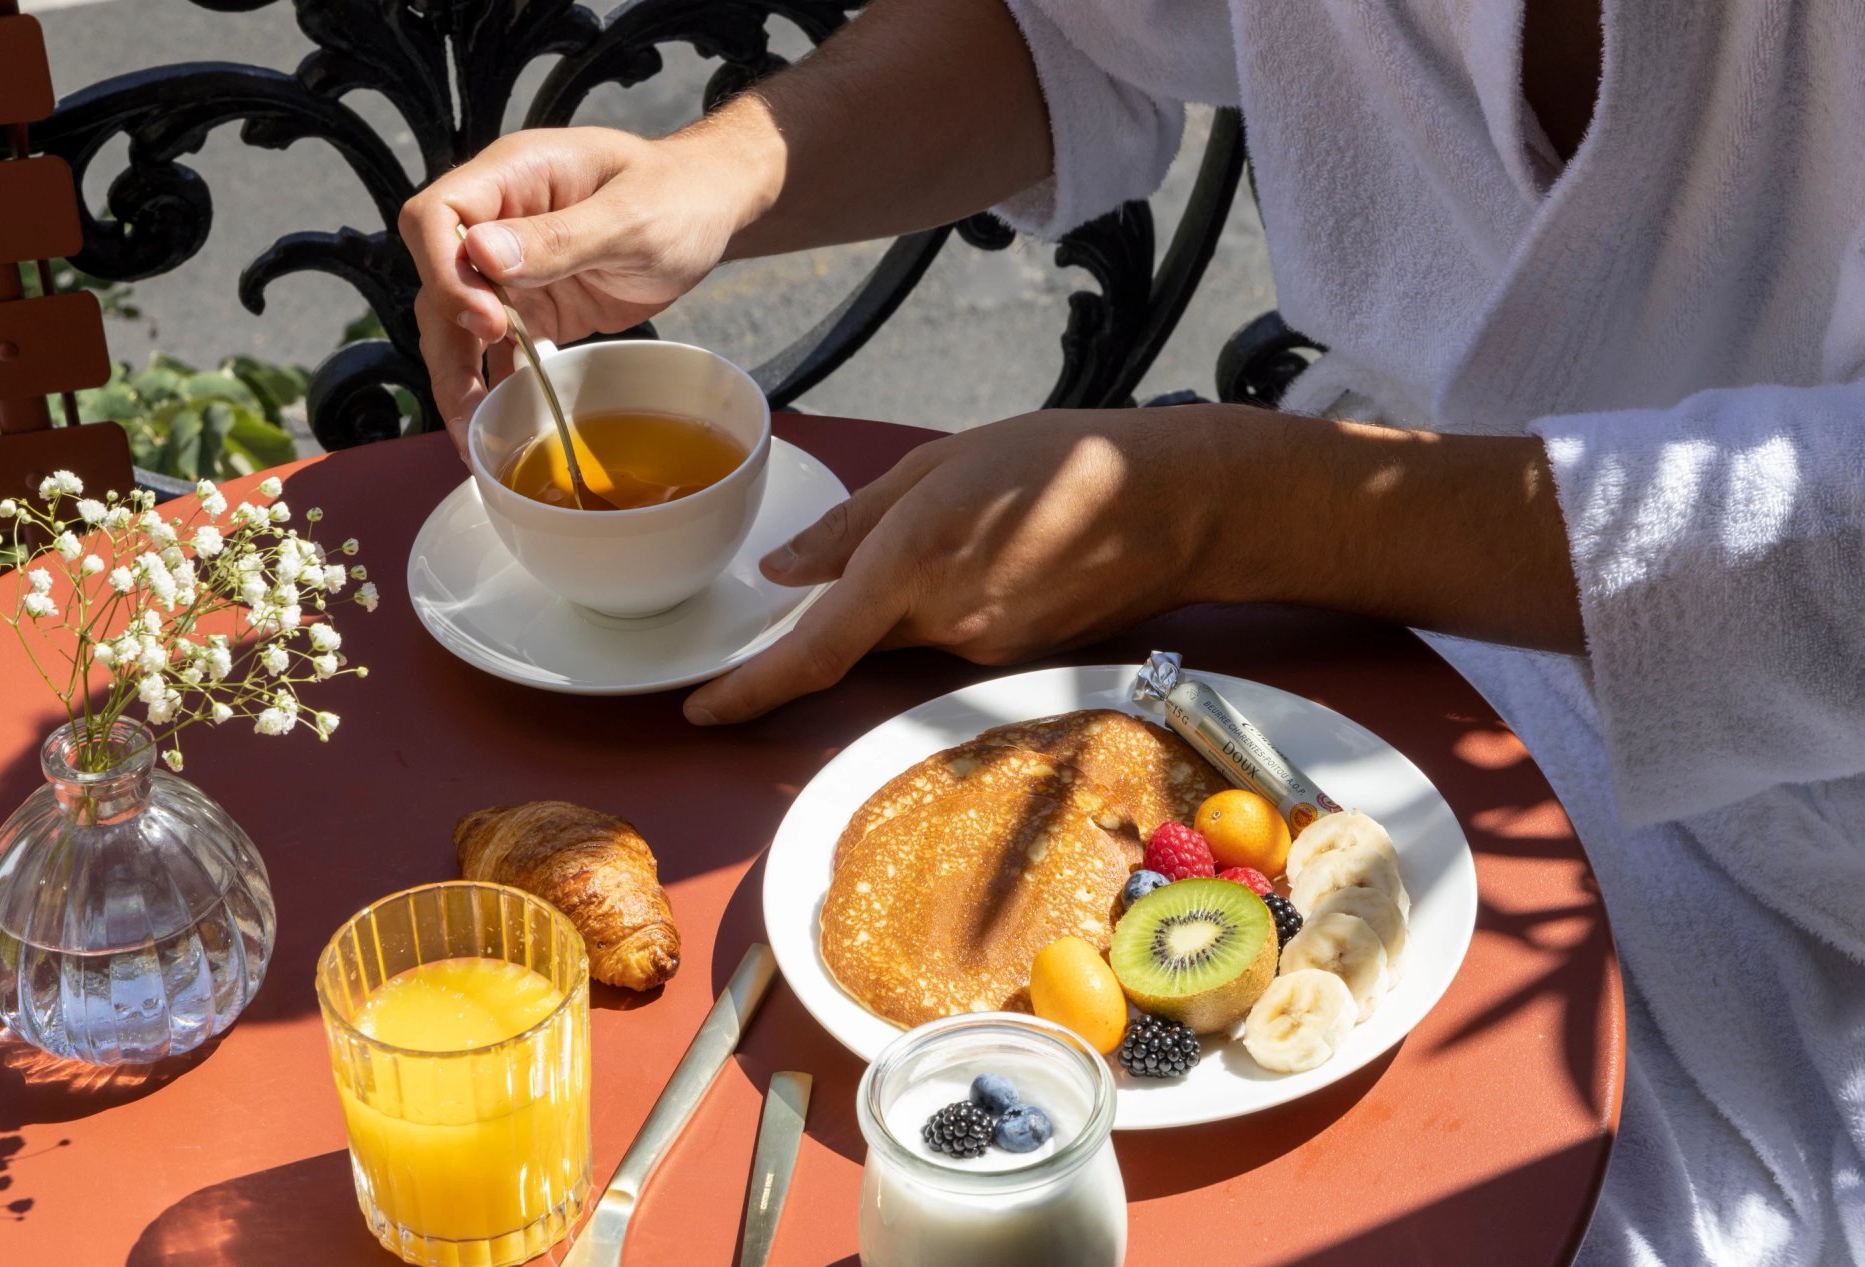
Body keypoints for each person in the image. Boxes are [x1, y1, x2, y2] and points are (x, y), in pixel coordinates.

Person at [403, 3, 1865, 1262]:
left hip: (1792, 823)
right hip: (1351, 636)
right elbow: (1064, 24)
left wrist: (1251, 510)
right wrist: (719, 171)